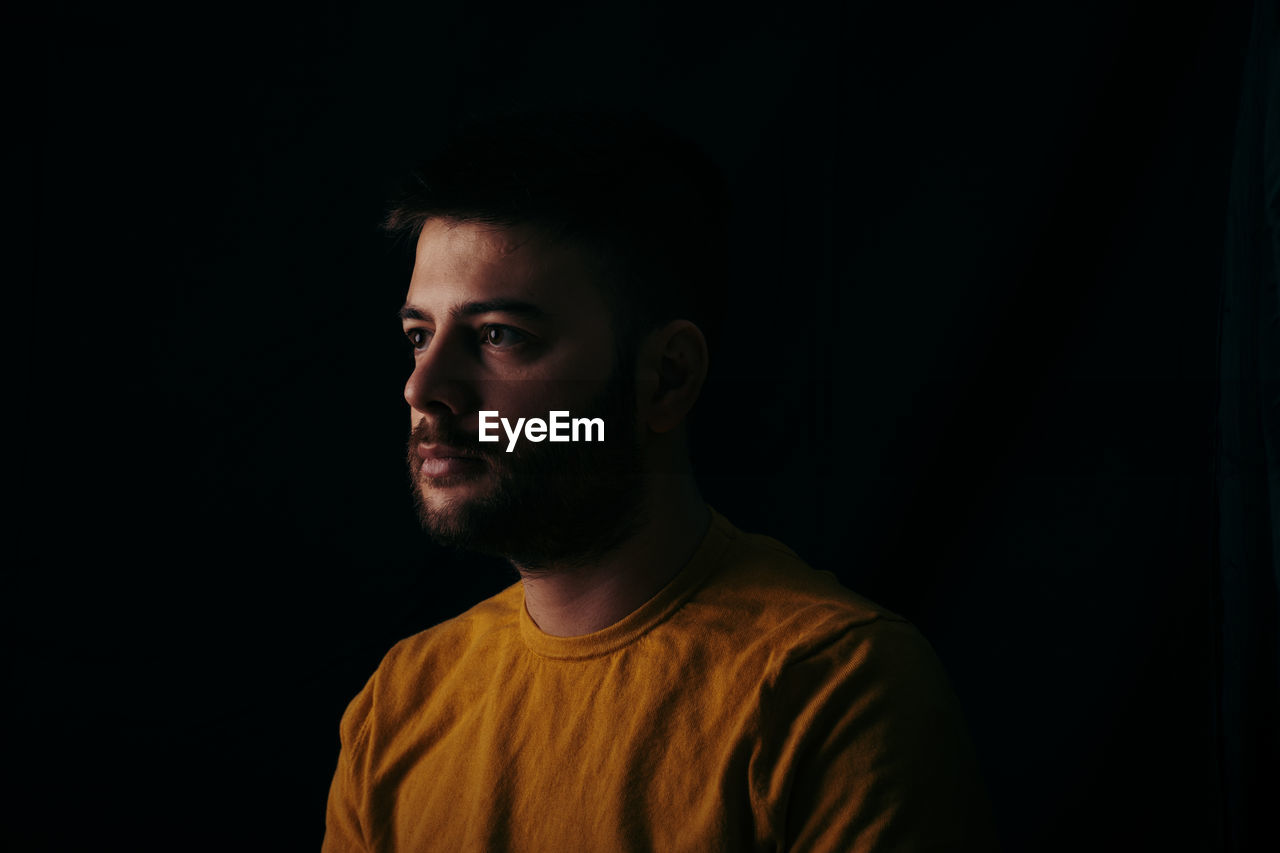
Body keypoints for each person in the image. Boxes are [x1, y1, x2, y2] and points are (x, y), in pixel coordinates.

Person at [322, 112, 995, 852]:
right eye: (420, 335)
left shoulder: (834, 692)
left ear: (666, 377)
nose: (423, 387)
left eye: (498, 335)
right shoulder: (399, 704)